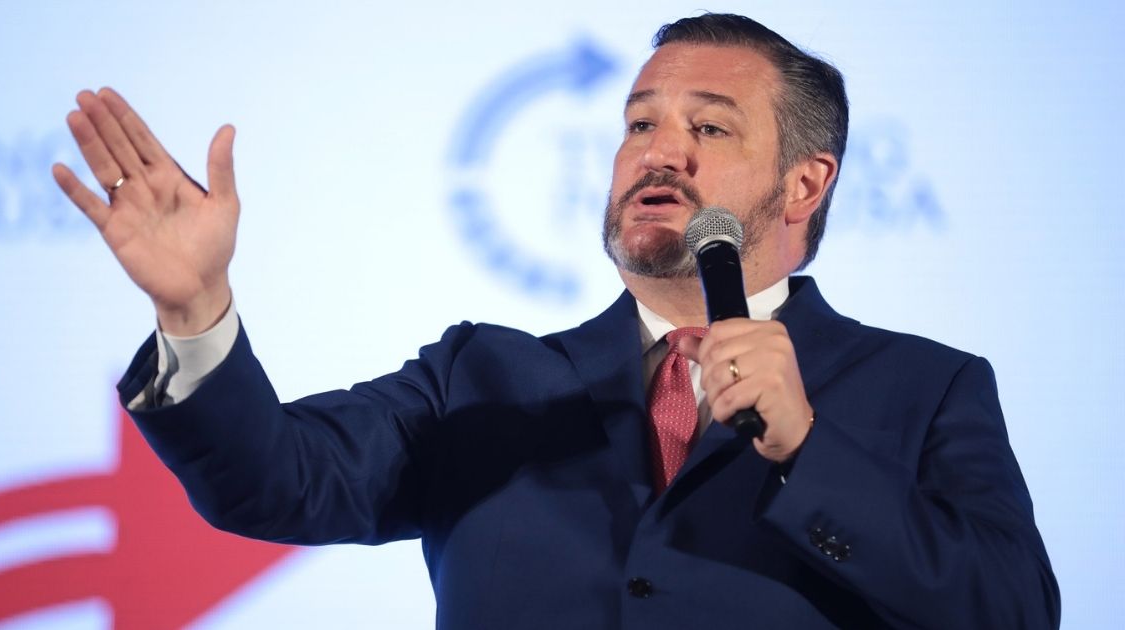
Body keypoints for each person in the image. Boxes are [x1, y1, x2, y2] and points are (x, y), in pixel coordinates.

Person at [53, 13, 1059, 629]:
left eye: (708, 126)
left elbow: (1009, 613)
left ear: (804, 183)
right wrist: (192, 306)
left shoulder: (924, 391)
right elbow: (276, 483)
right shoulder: (481, 378)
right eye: (638, 124)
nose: (659, 152)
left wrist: (804, 450)